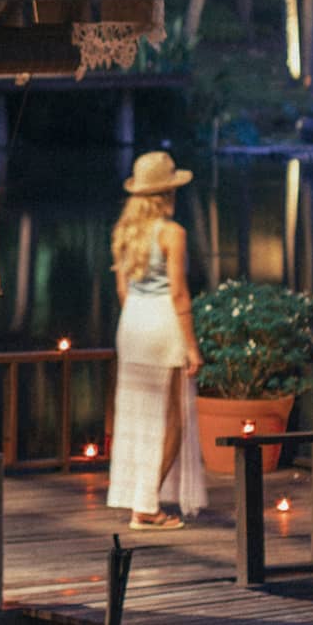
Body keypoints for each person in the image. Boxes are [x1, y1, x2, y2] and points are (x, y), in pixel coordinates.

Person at [106, 149, 206, 529]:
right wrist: (191, 345)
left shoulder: (124, 232)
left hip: (132, 324)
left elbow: (122, 291)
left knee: (137, 415)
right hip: (163, 323)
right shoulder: (172, 233)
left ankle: (141, 498)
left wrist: (139, 318)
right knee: (172, 420)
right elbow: (179, 294)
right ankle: (146, 505)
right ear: (167, 194)